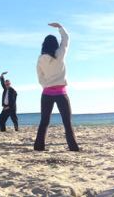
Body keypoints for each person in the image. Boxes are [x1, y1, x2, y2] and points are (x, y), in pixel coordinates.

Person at [34, 22, 80, 151]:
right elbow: (66, 39)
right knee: (67, 122)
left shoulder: (41, 58)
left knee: (44, 121)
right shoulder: (59, 54)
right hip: (61, 93)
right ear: (55, 44)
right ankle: (73, 147)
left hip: (46, 93)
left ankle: (39, 146)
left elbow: (40, 76)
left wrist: (46, 85)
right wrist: (60, 27)